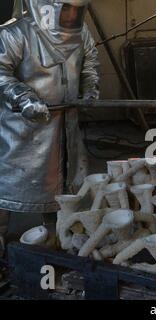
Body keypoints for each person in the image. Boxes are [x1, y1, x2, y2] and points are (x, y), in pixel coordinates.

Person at [0, 0, 100, 256]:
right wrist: (22, 97)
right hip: (22, 135)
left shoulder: (81, 33)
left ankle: (56, 235)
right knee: (8, 188)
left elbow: (89, 65)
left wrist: (89, 90)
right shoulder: (15, 33)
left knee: (59, 181)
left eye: (78, 10)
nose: (72, 15)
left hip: (65, 128)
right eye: (67, 8)